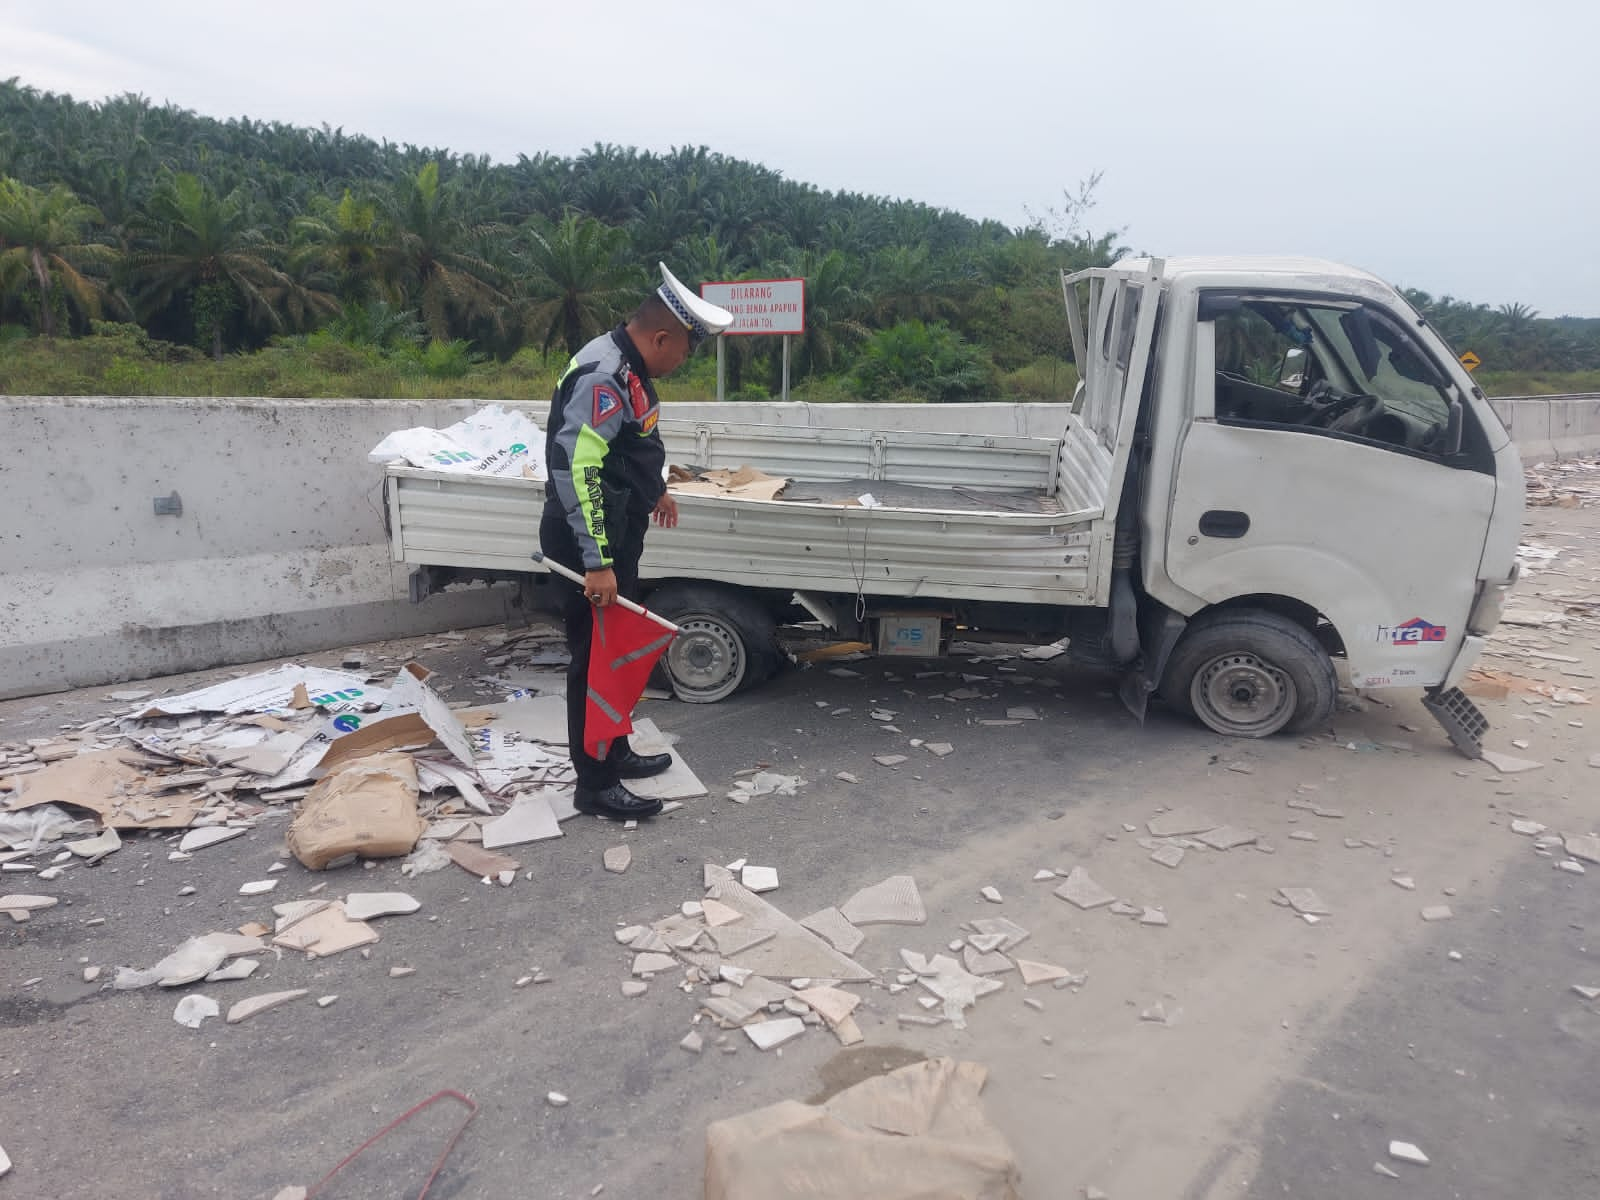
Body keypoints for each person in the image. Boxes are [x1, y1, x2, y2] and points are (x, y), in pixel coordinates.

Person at [539, 263, 733, 820]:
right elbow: (578, 468)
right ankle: (594, 784)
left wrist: (658, 487)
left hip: (619, 529)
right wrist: (597, 562)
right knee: (595, 660)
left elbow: (637, 436)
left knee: (616, 650)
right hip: (588, 544)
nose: (683, 362)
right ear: (662, 337)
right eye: (686, 352)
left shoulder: (630, 367)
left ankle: (615, 751)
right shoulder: (603, 372)